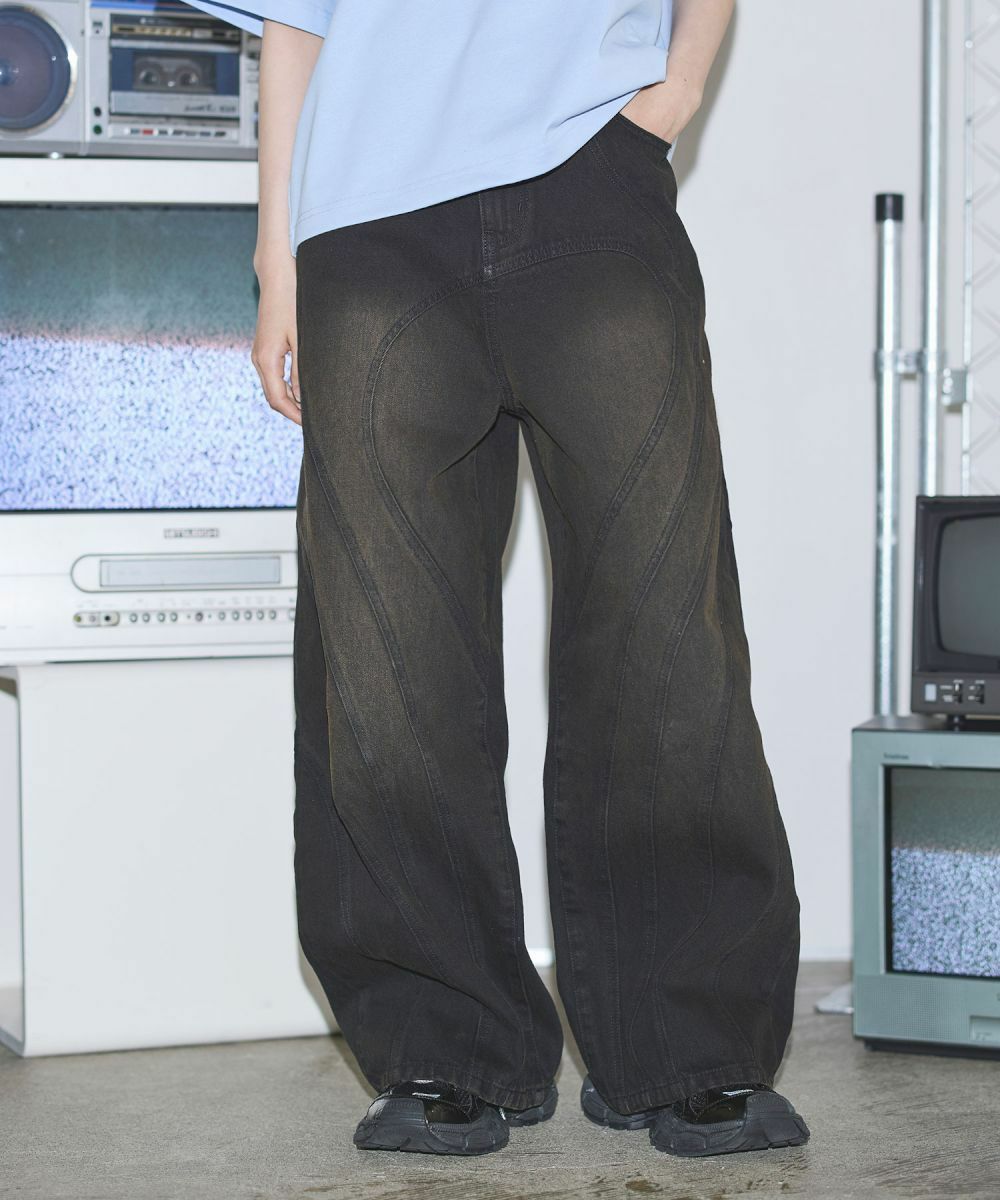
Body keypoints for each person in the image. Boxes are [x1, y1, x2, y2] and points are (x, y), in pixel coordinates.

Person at [187, 0, 810, 1159]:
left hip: (594, 189)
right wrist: (276, 257)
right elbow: (297, 22)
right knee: (386, 657)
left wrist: (668, 97)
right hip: (369, 221)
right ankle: (446, 1048)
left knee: (665, 627)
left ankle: (691, 1048)